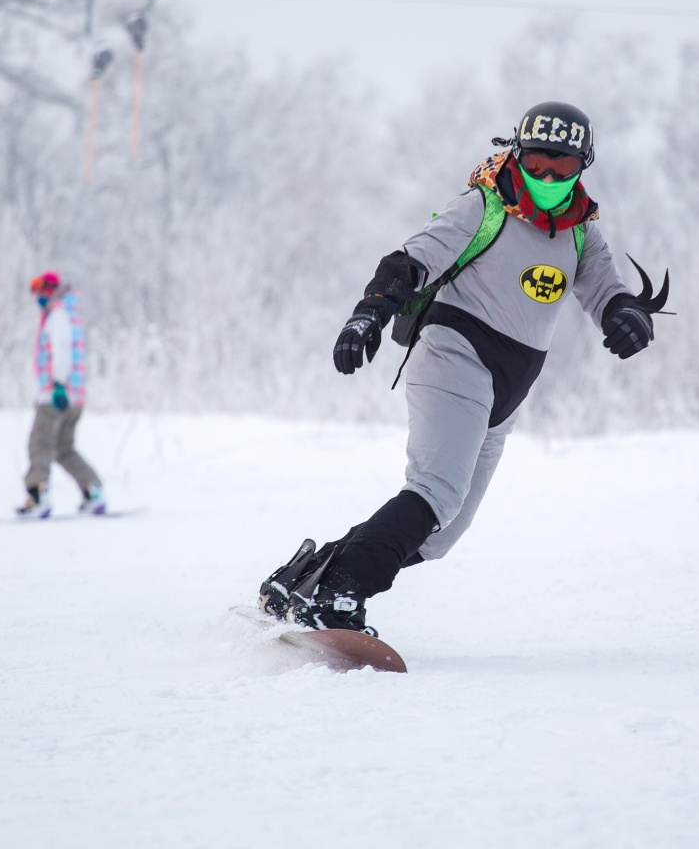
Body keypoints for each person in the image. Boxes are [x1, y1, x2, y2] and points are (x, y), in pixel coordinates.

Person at [257, 101, 667, 634]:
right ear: (516, 153)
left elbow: (606, 291)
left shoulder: (581, 230)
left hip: (510, 388)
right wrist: (368, 315)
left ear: (582, 165)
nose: (546, 175)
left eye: (561, 166)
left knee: (440, 535)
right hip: (457, 355)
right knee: (436, 491)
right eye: (537, 160)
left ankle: (310, 576)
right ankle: (340, 593)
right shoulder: (485, 206)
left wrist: (629, 315)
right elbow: (409, 260)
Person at [18, 271, 107, 518]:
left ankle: (37, 496)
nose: (37, 297)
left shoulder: (57, 315)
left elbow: (62, 351)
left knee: (40, 445)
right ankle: (93, 490)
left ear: (51, 291)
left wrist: (57, 384)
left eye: (41, 291)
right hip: (75, 395)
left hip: (55, 395)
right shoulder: (69, 314)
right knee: (63, 448)